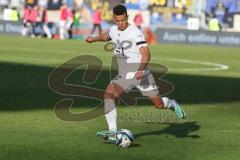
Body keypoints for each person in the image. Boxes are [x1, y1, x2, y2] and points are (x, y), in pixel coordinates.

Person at [85, 4, 185, 144]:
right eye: (118, 21)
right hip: (124, 74)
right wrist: (93, 38)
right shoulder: (114, 30)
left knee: (159, 105)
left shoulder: (135, 32)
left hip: (140, 74)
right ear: (114, 19)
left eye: (123, 20)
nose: (121, 23)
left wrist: (140, 69)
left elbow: (146, 53)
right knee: (108, 95)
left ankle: (172, 104)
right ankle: (113, 133)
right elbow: (107, 36)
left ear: (127, 17)